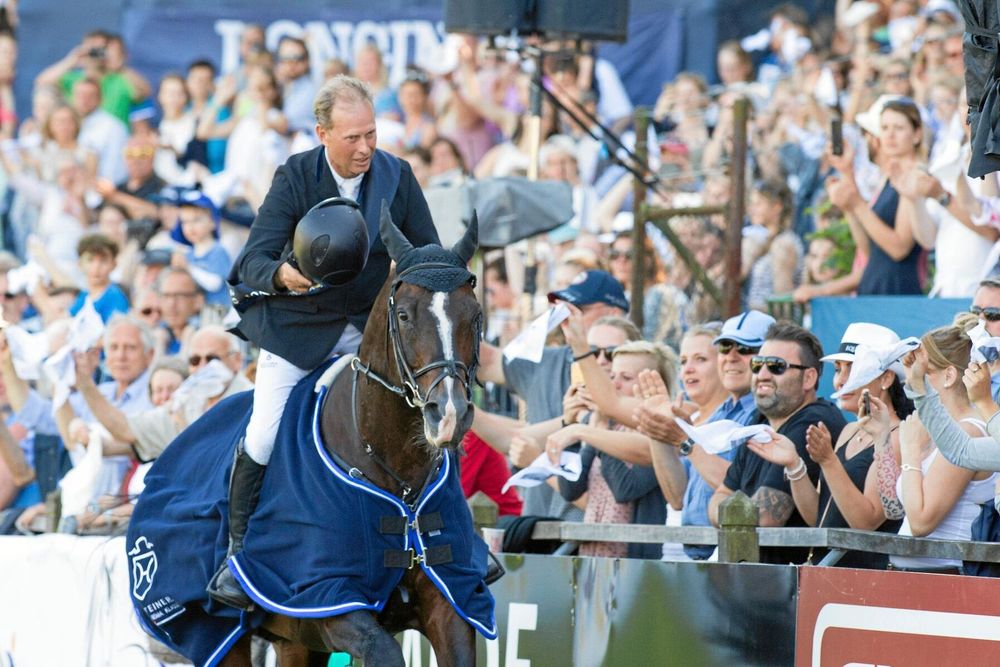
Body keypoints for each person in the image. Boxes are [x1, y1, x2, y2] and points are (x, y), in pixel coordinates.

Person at [211, 74, 439, 609]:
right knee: (265, 433)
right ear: (322, 133)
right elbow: (252, 261)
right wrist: (283, 275)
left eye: (371, 134)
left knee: (428, 417)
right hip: (298, 330)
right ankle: (238, 556)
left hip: (367, 331)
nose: (365, 148)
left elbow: (427, 253)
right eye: (352, 137)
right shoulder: (295, 175)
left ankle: (451, 540)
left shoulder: (398, 175)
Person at [637, 311, 773, 560]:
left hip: (733, 556)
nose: (731, 357)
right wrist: (657, 430)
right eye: (725, 348)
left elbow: (742, 492)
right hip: (697, 555)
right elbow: (678, 497)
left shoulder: (767, 414)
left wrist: (685, 441)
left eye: (745, 349)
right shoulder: (718, 413)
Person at [708, 321, 847, 564]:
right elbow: (719, 498)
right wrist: (733, 515)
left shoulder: (814, 422)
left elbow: (765, 518)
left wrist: (731, 516)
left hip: (793, 580)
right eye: (757, 365)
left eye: (776, 366)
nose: (762, 375)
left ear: (808, 378)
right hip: (753, 572)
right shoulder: (759, 421)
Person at [168, 190, 232, 308]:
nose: (190, 226)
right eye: (185, 222)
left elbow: (214, 284)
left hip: (219, 310)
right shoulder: (188, 254)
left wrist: (188, 268)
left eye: (196, 220)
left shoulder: (217, 251)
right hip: (198, 311)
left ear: (213, 222)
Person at [69, 233, 129, 323]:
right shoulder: (84, 295)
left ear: (114, 264)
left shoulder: (115, 297)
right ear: (80, 264)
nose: (96, 267)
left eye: (103, 261)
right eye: (90, 260)